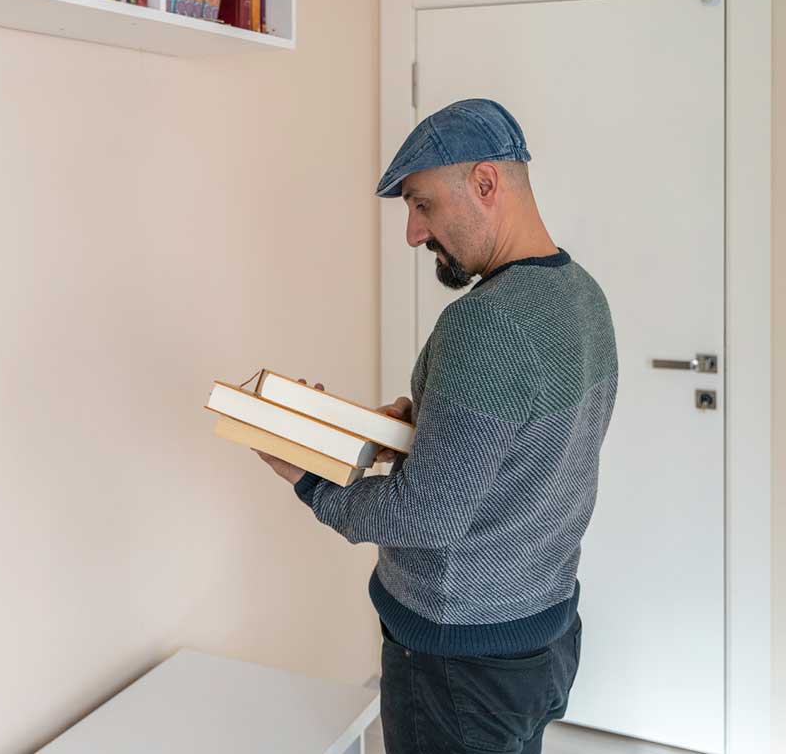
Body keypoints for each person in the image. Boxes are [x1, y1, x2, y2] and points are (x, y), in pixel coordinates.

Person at [257, 98, 618, 754]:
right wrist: (418, 424)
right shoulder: (582, 295)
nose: (413, 233)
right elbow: (534, 442)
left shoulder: (487, 323)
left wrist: (311, 479)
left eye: (421, 204)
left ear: (485, 184)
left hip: (458, 662)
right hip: (542, 633)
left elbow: (427, 514)